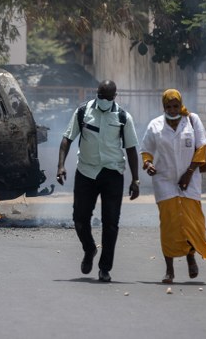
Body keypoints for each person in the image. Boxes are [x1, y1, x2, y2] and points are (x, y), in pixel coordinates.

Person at [56, 80, 140, 282]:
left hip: (112, 173)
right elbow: (67, 138)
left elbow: (131, 148)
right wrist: (61, 165)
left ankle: (105, 268)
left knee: (111, 224)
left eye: (107, 97)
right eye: (100, 95)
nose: (102, 100)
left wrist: (135, 179)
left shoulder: (123, 117)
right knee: (79, 219)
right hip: (86, 172)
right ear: (97, 93)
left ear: (114, 97)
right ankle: (89, 248)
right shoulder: (83, 112)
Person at [140, 89, 206, 284]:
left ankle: (191, 257)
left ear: (180, 104)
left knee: (192, 222)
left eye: (175, 106)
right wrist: (148, 164)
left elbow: (202, 148)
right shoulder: (155, 125)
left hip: (190, 181)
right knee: (169, 225)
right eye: (168, 106)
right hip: (164, 181)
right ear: (163, 106)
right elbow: (146, 150)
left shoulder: (192, 120)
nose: (172, 110)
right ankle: (169, 270)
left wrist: (189, 173)